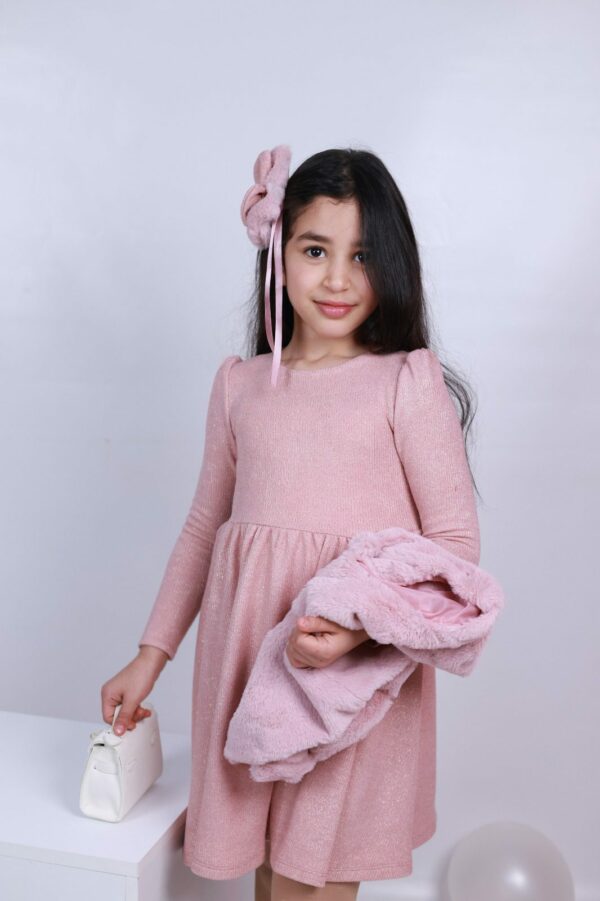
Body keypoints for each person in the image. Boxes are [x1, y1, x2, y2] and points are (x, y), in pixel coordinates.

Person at [101, 146, 481, 901]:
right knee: (272, 873)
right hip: (247, 664)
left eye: (362, 255)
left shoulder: (405, 384)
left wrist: (357, 632)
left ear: (392, 264)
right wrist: (151, 655)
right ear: (278, 254)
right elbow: (205, 526)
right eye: (315, 250)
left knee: (314, 878)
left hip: (345, 678)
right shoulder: (241, 387)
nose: (337, 279)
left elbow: (455, 549)